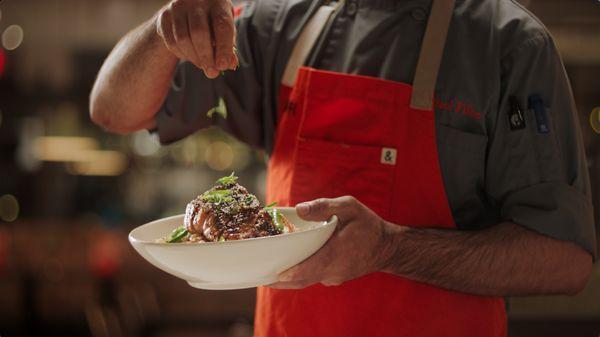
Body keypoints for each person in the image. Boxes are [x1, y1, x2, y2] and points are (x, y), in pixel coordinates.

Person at [90, 0, 596, 335]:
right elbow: (113, 109)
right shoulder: (282, 25)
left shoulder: (508, 44)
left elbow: (565, 262)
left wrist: (391, 249)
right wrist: (163, 32)